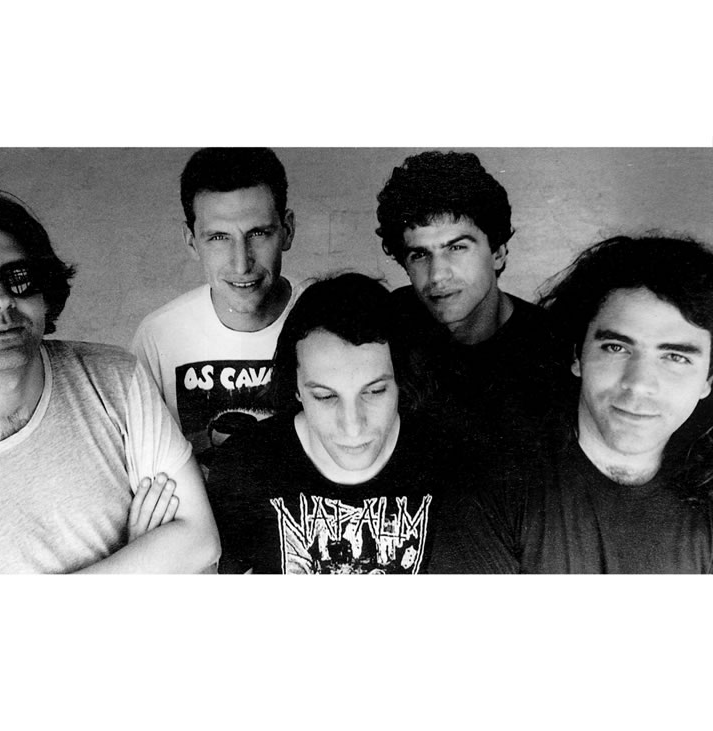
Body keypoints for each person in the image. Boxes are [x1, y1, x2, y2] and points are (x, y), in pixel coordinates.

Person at [0, 183, 220, 573]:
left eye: (20, 277)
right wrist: (139, 566)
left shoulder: (114, 378)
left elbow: (199, 542)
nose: (2, 299)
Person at [430, 235, 713, 573]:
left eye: (676, 357)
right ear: (577, 356)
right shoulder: (492, 489)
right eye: (616, 348)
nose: (639, 384)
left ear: (708, 380)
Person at [206, 273, 459, 574]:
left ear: (400, 381)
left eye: (374, 391)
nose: (353, 427)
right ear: (296, 387)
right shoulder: (243, 467)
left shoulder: (449, 462)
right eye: (325, 396)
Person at [132, 147, 299, 469]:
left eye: (258, 233)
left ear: (287, 230)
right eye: (219, 237)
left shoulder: (328, 317)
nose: (241, 264)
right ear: (191, 241)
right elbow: (145, 467)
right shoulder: (158, 336)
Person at [375, 150, 567, 429]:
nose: (437, 275)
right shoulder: (392, 322)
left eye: (456, 248)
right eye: (419, 254)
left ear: (498, 253)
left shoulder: (551, 347)